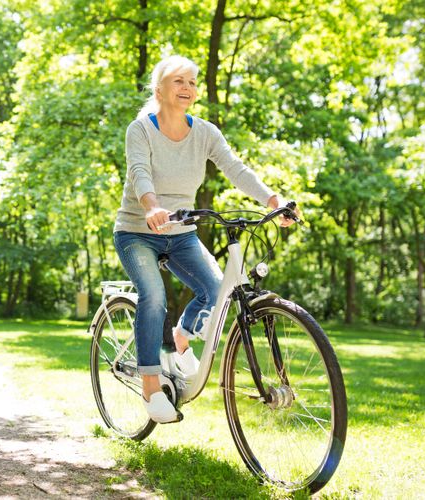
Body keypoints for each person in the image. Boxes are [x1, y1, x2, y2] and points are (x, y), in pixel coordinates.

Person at [113, 55, 297, 423]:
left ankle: (182, 336)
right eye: (179, 81)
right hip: (137, 231)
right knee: (154, 296)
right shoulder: (141, 129)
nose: (188, 88)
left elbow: (235, 168)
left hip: (181, 233)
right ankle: (151, 385)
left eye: (193, 82)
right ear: (159, 89)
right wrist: (151, 206)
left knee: (217, 290)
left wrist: (273, 200)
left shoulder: (206, 133)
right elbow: (139, 172)